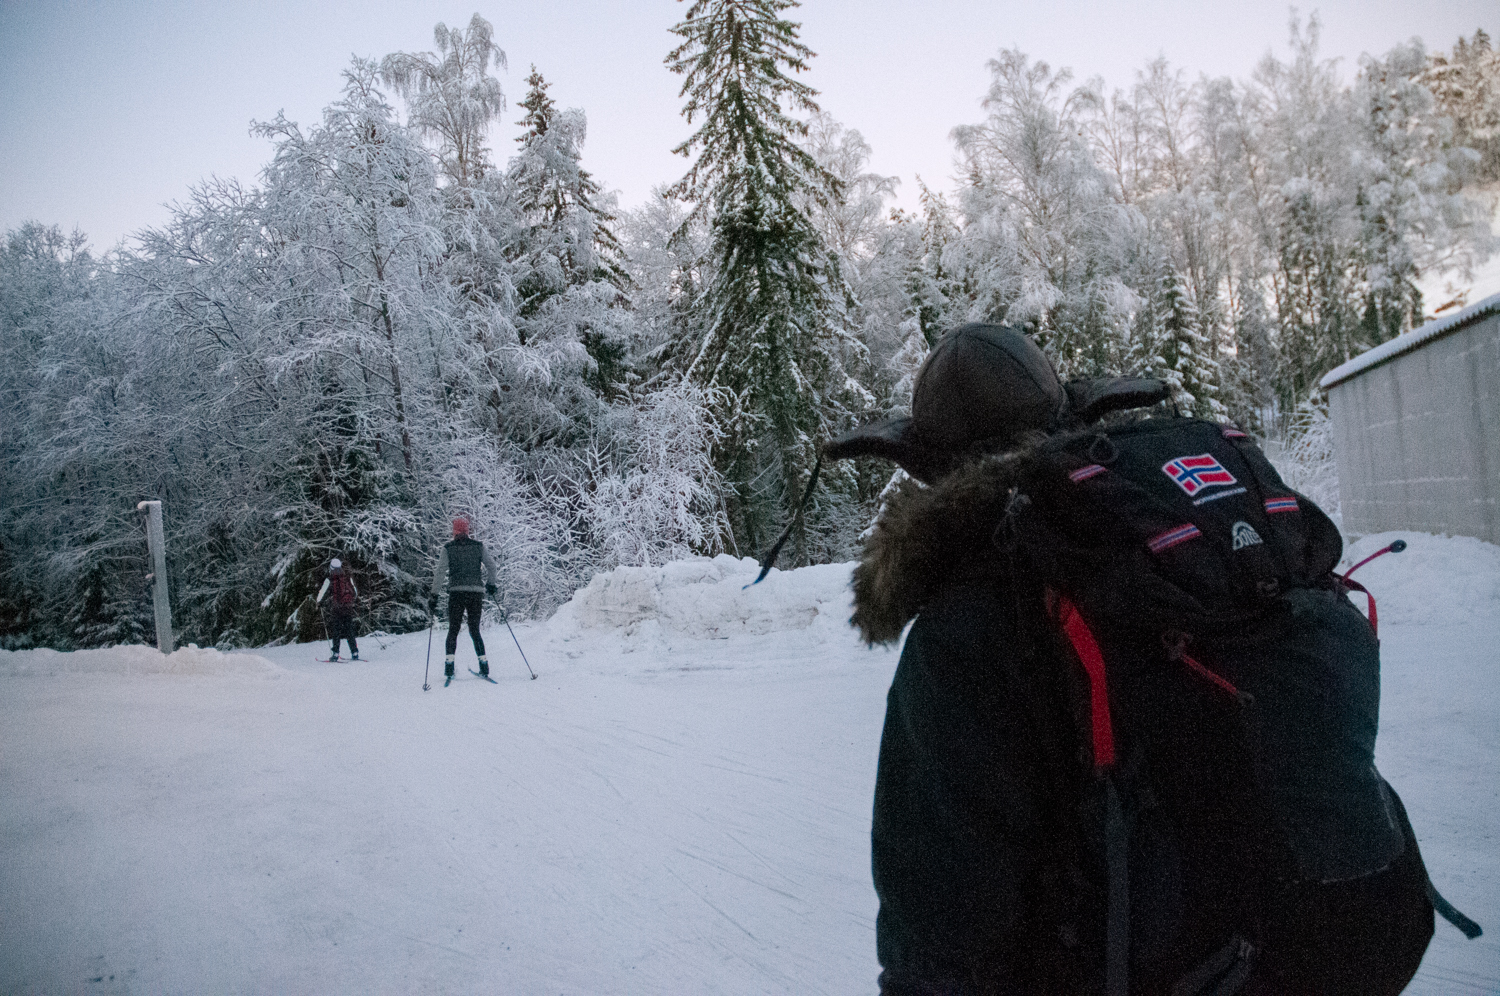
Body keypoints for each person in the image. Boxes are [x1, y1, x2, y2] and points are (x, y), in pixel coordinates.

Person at [821, 323, 1436, 995]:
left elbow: (941, 922)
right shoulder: (1170, 549)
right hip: (1330, 943)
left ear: (927, 471)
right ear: (1075, 417)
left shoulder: (966, 626)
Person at [428, 517, 499, 679]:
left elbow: (440, 572)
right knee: (475, 630)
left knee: (453, 629)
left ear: (454, 531)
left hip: (456, 593)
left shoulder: (448, 548)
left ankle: (449, 667)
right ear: (468, 531)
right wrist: (491, 584)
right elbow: (492, 566)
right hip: (475, 593)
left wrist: (434, 595)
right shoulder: (478, 547)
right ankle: (484, 665)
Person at [315, 558, 359, 662]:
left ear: (331, 568)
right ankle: (355, 652)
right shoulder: (348, 578)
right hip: (348, 609)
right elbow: (355, 593)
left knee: (336, 632)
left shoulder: (329, 580)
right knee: (350, 631)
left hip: (337, 610)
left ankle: (335, 653)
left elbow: (321, 595)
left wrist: (319, 603)